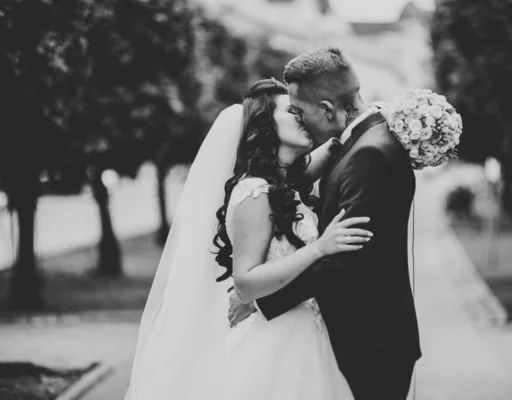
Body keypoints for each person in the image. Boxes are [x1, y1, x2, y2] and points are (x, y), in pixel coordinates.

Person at [125, 78, 371, 400]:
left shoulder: (286, 183)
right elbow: (245, 283)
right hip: (274, 347)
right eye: (293, 111)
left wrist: (369, 115)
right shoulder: (253, 191)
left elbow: (335, 141)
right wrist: (320, 248)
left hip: (303, 337)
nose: (304, 117)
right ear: (265, 124)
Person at [230, 47, 421, 400]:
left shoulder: (367, 155)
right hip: (355, 340)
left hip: (371, 343)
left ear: (328, 109)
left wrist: (261, 300)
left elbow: (345, 258)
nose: (300, 120)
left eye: (299, 112)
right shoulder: (361, 144)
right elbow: (289, 185)